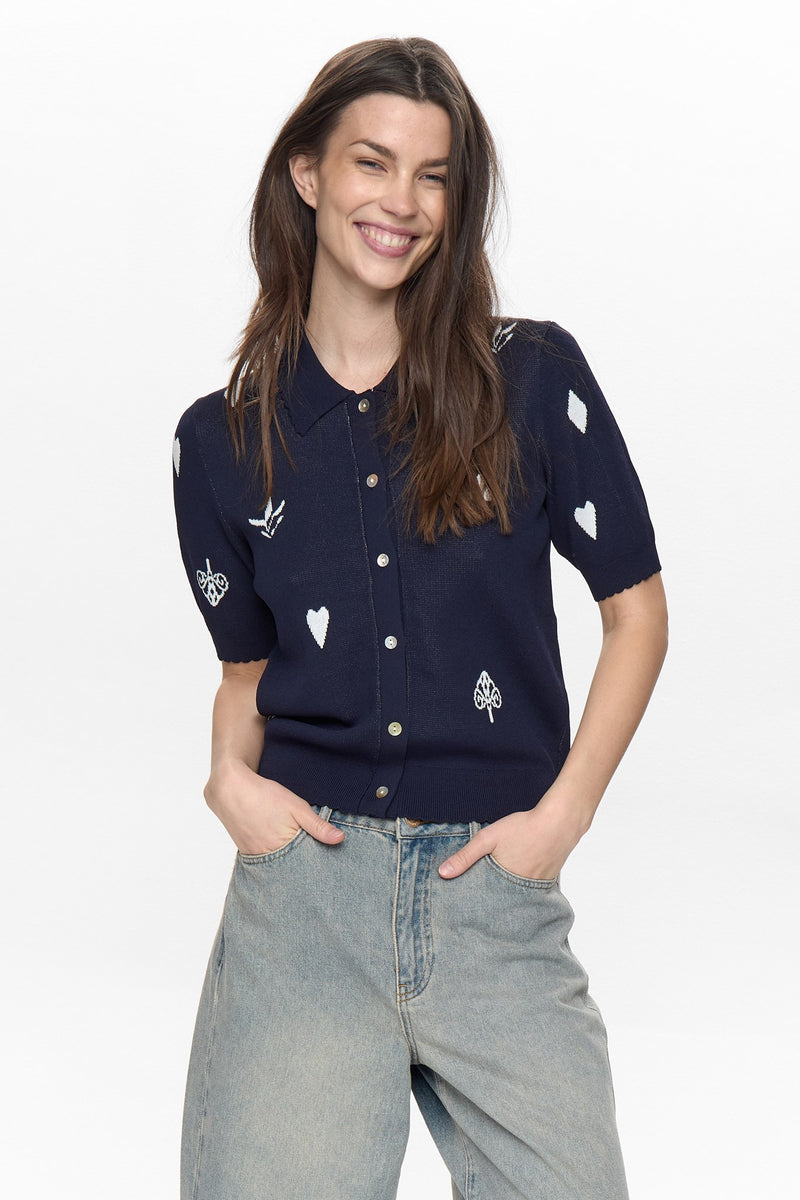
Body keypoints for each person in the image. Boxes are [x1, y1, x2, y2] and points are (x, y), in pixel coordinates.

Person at [171, 35, 668, 1200]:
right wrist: (227, 782)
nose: (401, 201)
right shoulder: (220, 442)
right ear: (307, 174)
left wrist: (560, 819)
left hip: (493, 893)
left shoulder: (528, 379)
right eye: (371, 162)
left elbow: (635, 612)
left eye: (432, 175)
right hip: (305, 900)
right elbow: (245, 673)